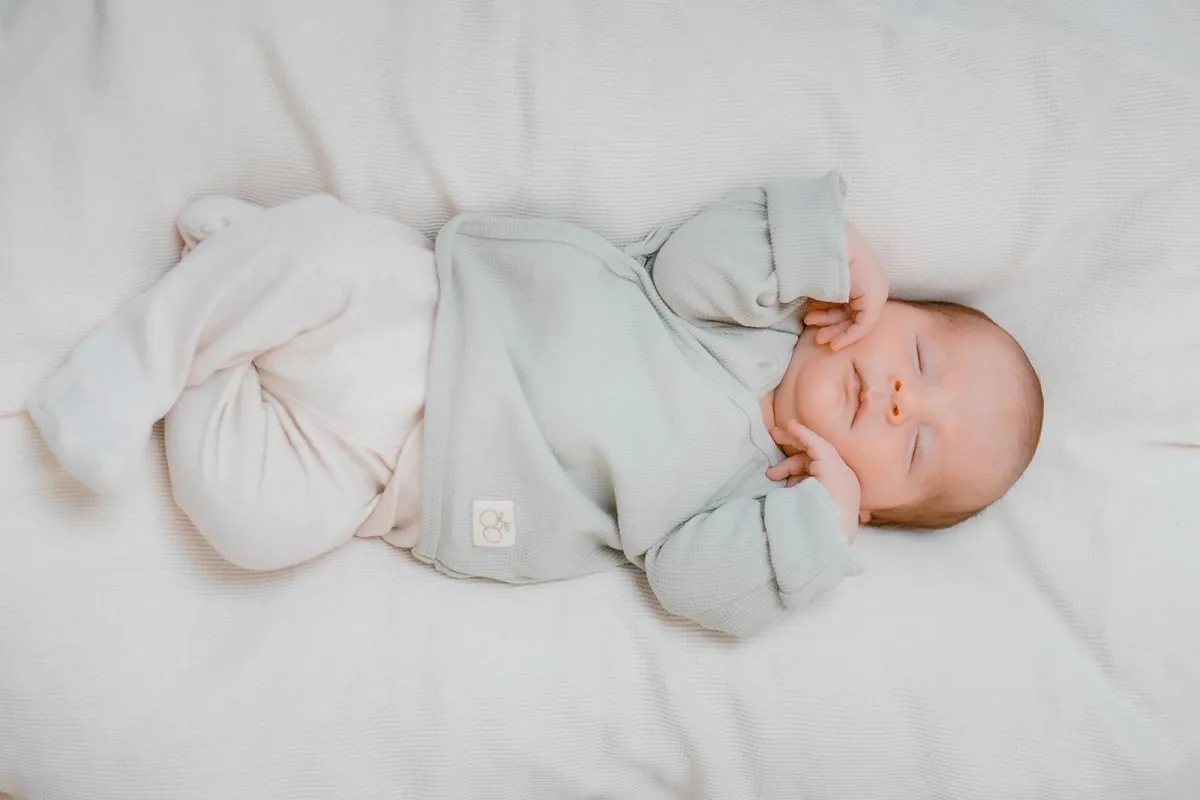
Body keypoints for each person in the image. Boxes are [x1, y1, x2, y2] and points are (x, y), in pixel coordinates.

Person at [27, 172, 1043, 637]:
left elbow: (689, 585)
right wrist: (824, 252)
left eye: (913, 451)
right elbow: (692, 255)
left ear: (871, 504)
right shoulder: (758, 316)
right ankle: (130, 365)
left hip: (401, 482)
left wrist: (813, 529)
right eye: (922, 352)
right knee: (333, 261)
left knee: (250, 524)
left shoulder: (753, 498)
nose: (904, 399)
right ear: (878, 306)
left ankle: (226, 310)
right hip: (439, 320)